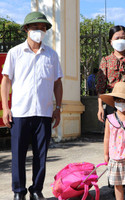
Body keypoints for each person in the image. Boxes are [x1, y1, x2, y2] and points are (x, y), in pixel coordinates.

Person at [1, 11, 63, 200]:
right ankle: (18, 192)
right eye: (36, 27)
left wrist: (58, 108)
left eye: (43, 28)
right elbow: (5, 81)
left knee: (41, 156)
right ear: (27, 29)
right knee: (18, 156)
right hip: (20, 112)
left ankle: (36, 190)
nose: (40, 31)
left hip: (44, 112)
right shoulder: (15, 53)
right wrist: (6, 107)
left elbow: (57, 83)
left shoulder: (51, 55)